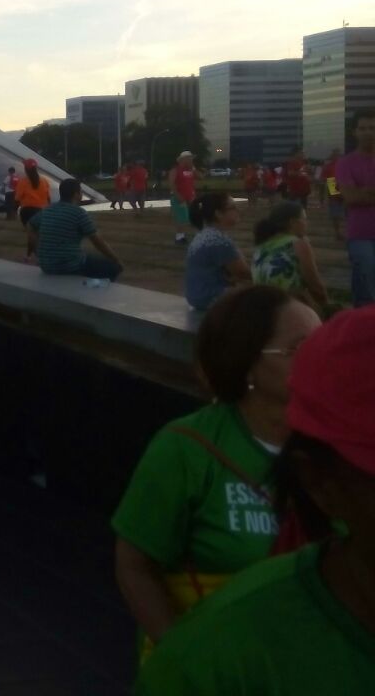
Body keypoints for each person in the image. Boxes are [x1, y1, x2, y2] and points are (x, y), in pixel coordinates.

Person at [137, 304, 375, 694]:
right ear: (320, 484)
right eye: (297, 348)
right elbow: (135, 564)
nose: (311, 359)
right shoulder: (216, 665)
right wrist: (171, 638)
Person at [113, 285, 321, 660]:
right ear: (248, 363)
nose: (321, 359)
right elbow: (134, 564)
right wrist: (182, 656)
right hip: (215, 663)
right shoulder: (185, 449)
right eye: (300, 348)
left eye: (324, 344)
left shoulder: (335, 449)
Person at [27, 178, 123, 280]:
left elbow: (30, 224)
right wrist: (116, 260)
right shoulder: (78, 213)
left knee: (87, 257)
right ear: (76, 194)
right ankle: (92, 288)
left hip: (46, 265)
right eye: (80, 191)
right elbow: (97, 241)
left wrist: (37, 249)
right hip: (69, 265)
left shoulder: (48, 210)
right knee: (114, 268)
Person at [251, 201, 329, 311]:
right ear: (292, 222)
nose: (306, 223)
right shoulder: (298, 244)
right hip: (287, 308)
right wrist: (327, 307)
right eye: (304, 219)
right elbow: (315, 285)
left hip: (264, 307)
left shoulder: (260, 247)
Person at [183, 191, 251, 311]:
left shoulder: (203, 235)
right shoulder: (219, 240)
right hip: (213, 298)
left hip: (197, 297)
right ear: (218, 214)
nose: (237, 210)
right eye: (233, 207)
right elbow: (244, 272)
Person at [336, 107, 375, 307]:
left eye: (372, 128)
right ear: (355, 132)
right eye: (363, 128)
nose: (368, 132)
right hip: (360, 233)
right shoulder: (344, 163)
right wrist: (347, 195)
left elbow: (356, 195)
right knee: (366, 278)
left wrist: (362, 192)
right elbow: (349, 197)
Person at [14, 158, 51, 262]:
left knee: (32, 235)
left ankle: (38, 257)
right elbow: (48, 198)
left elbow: (17, 198)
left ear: (26, 169)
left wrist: (15, 210)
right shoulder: (44, 181)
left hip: (27, 211)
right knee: (36, 235)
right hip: (41, 211)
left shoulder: (23, 181)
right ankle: (29, 256)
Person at [168, 150, 199, 245]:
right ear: (183, 159)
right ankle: (179, 237)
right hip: (179, 196)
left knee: (194, 215)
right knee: (181, 217)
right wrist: (177, 195)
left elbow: (201, 176)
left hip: (191, 196)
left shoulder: (191, 170)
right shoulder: (175, 170)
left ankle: (195, 235)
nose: (191, 160)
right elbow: (171, 183)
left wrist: (193, 168)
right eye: (189, 159)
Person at [320, 147, 344, 241]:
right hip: (332, 184)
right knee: (336, 212)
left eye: (337, 153)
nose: (336, 155)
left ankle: (342, 232)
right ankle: (338, 232)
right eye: (335, 153)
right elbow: (322, 179)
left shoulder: (344, 164)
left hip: (343, 186)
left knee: (343, 212)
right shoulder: (328, 166)